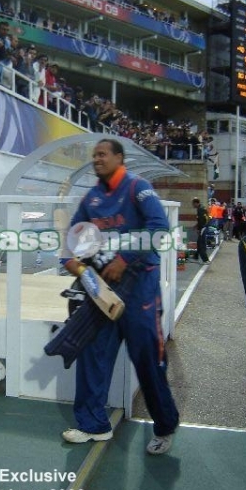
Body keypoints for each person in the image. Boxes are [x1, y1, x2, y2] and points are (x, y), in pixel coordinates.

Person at [53, 139, 179, 455]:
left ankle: (165, 426)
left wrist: (124, 257)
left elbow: (159, 227)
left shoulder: (139, 187)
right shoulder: (92, 198)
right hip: (104, 294)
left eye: (102, 154)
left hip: (140, 293)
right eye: (93, 155)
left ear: (119, 158)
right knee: (93, 355)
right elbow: (72, 238)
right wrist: (73, 264)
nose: (97, 159)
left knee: (148, 361)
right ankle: (93, 425)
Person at [191, 197, 210, 264]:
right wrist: (196, 226)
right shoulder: (202, 208)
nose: (192, 205)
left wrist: (199, 229)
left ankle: (205, 260)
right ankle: (196, 256)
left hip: (202, 228)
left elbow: (202, 221)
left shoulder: (200, 210)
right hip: (204, 227)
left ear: (196, 203)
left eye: (193, 204)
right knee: (199, 243)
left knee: (201, 244)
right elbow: (202, 219)